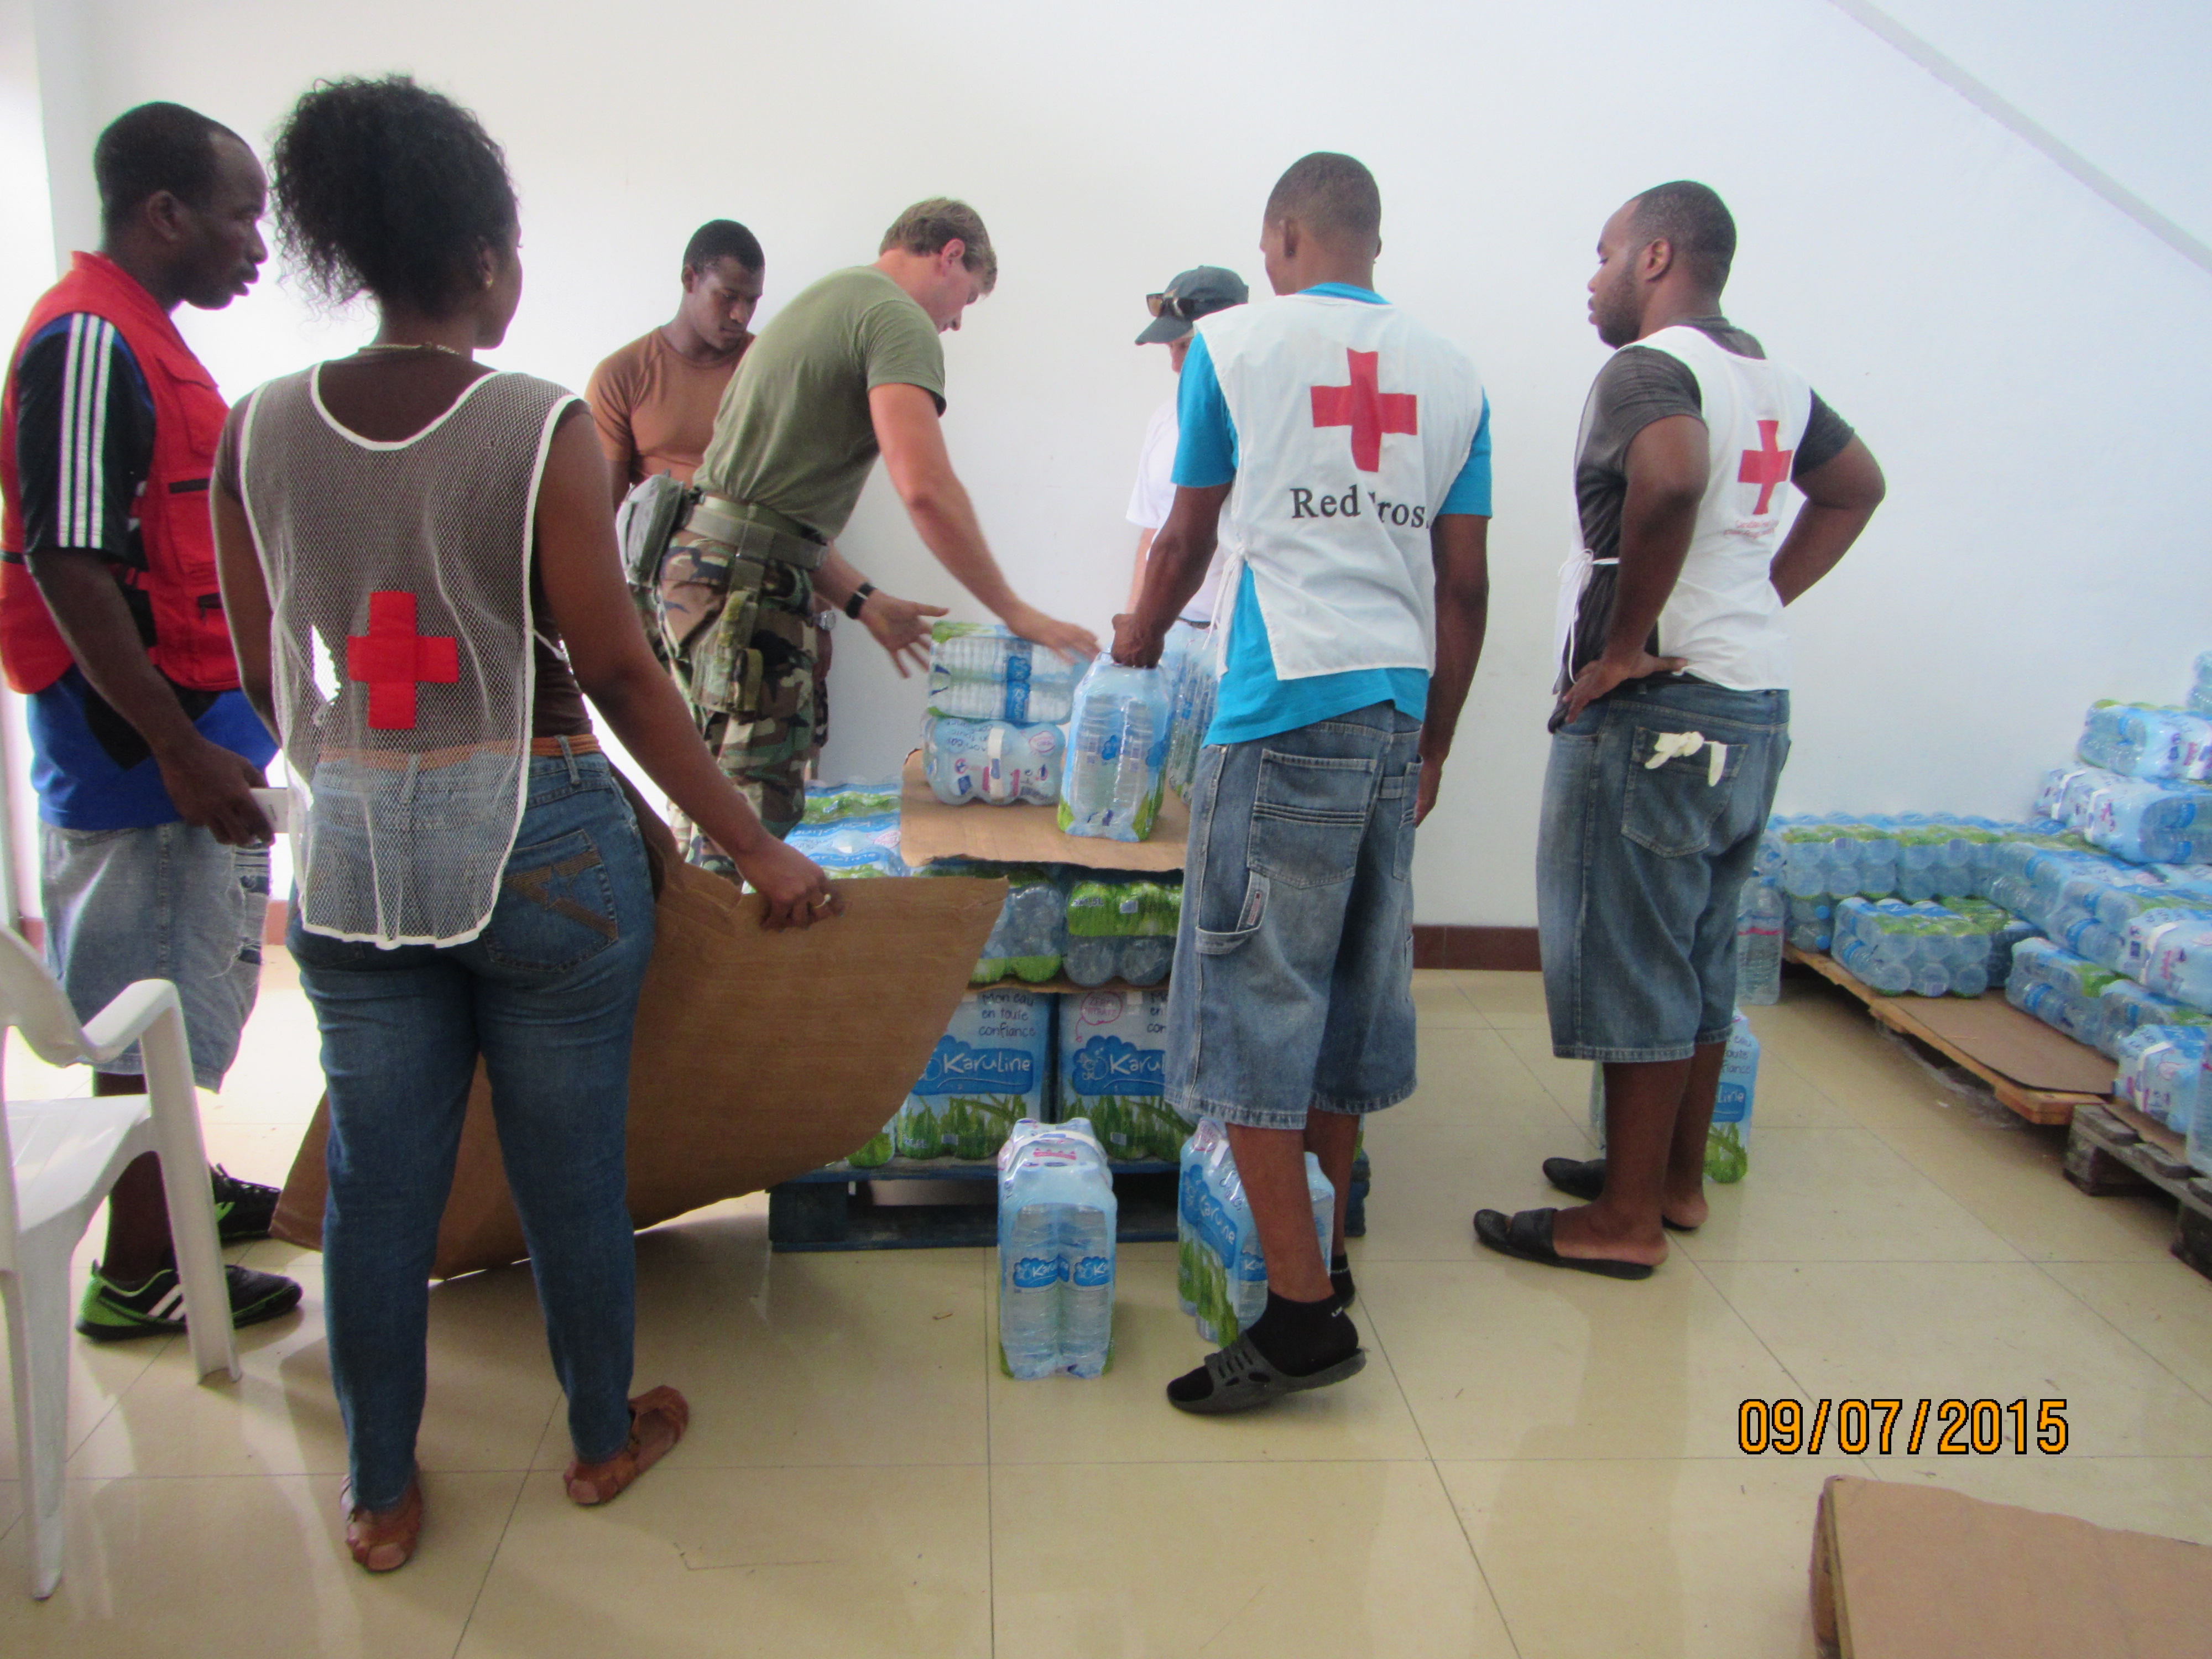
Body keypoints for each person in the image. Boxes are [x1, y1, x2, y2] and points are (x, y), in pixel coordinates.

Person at [211, 75, 838, 1574]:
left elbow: (261, 671)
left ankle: (377, 1494)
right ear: (487, 257)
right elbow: (617, 669)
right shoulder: (536, 422)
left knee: (380, 1186)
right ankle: (602, 1436)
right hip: (540, 842)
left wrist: (369, 770)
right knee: (569, 1170)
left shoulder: (258, 429)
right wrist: (756, 847)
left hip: (356, 852)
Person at [1115, 153, 1493, 1413]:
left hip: (1281, 707)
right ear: (1370, 238)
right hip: (1393, 709)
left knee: (1251, 1002)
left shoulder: (1233, 346)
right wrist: (1436, 742)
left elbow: (1185, 533)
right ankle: (1323, 1253)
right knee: (1342, 1002)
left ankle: (1297, 1313)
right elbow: (1465, 586)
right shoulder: (1454, 374)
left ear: (1281, 235)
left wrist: (1136, 634)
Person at [1474, 181, 1885, 1277]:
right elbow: (1855, 487)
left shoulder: (1649, 370)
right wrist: (1752, 601)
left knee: (1631, 953)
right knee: (1697, 953)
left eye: (1603, 250)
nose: (1592, 276)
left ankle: (1623, 1225)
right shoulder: (1773, 380)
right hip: (1749, 703)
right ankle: (1670, 1182)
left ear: (1655, 257)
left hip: (1658, 715)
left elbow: (1668, 478)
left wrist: (1621, 646)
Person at [0, 101, 301, 1340]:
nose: (257, 245)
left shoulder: (139, 336)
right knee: (146, 1000)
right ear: (164, 213)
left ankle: (182, 1188)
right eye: (241, 215)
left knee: (185, 979)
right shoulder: (87, 342)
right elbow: (67, 561)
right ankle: (139, 1267)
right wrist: (177, 750)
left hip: (181, 739)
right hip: (137, 756)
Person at [662, 199, 1099, 858]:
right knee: (747, 830)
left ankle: (693, 923)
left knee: (704, 815)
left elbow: (766, 515)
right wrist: (1016, 612)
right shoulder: (897, 317)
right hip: (745, 594)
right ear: (950, 255)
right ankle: (719, 929)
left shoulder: (834, 297)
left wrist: (863, 601)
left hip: (700, 576)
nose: (956, 322)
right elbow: (925, 489)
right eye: (968, 299)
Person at [586, 218, 766, 505]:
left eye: (752, 301)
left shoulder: (769, 367)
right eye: (728, 297)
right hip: (660, 530)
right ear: (689, 279)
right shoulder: (621, 375)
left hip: (755, 528)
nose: (741, 316)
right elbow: (604, 511)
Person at [1123, 265, 1248, 623]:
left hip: (1232, 630)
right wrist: (1134, 622)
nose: (1176, 365)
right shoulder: (1165, 419)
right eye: (1171, 349)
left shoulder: (1259, 423)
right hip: (1169, 628)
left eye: (1187, 347)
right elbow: (1153, 531)